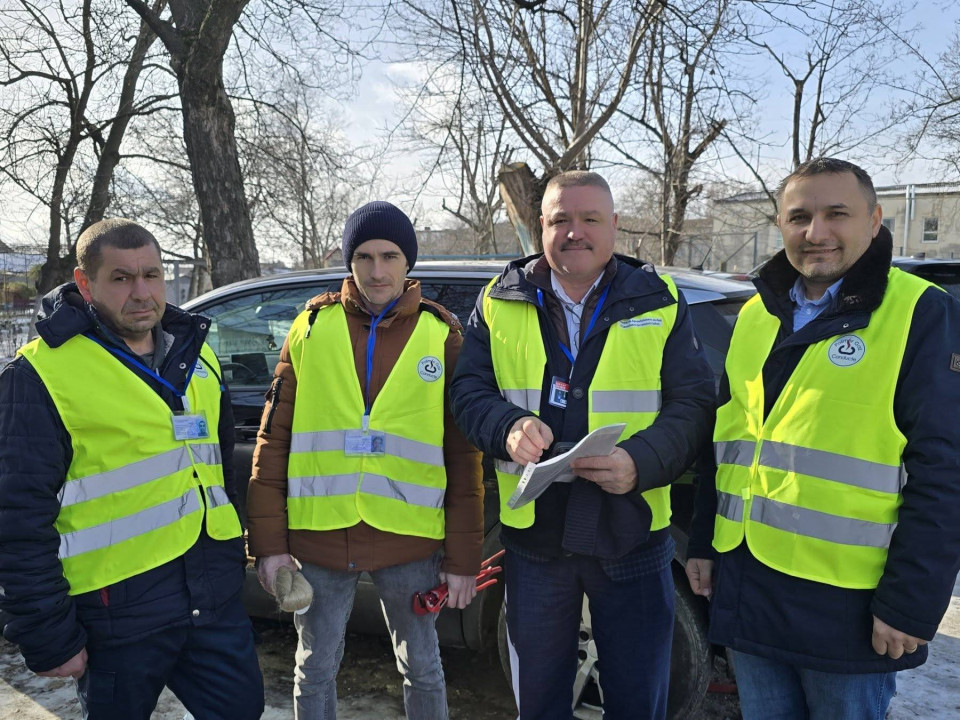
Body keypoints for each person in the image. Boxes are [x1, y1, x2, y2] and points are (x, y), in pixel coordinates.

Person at [686, 157, 960, 719]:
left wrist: (911, 602)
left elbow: (946, 472)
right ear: (781, 225)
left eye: (837, 214)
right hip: (750, 585)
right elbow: (729, 437)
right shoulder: (757, 314)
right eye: (799, 217)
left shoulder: (921, 313)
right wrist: (705, 544)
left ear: (875, 221)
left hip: (849, 606)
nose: (816, 232)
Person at [449, 171, 714, 719]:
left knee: (639, 700)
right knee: (538, 700)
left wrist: (640, 461)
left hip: (632, 532)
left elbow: (692, 405)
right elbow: (468, 392)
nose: (575, 232)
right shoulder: (498, 299)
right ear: (540, 226)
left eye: (590, 219)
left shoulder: (659, 299)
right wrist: (507, 426)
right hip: (536, 541)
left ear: (614, 225)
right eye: (561, 220)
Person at [0, 219, 264, 720]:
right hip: (115, 614)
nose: (142, 293)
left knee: (242, 711)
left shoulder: (197, 354)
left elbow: (217, 476)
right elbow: (16, 516)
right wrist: (47, 632)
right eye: (121, 278)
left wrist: (232, 564)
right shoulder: (40, 375)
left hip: (212, 600)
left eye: (152, 275)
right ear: (85, 284)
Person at [247, 201, 484, 720]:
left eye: (390, 256)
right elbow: (273, 441)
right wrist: (269, 547)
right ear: (349, 261)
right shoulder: (311, 327)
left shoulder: (441, 335)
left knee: (423, 667)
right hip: (322, 540)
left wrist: (464, 559)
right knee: (314, 668)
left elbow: (463, 456)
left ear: (408, 261)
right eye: (364, 256)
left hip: (410, 540)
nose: (377, 271)